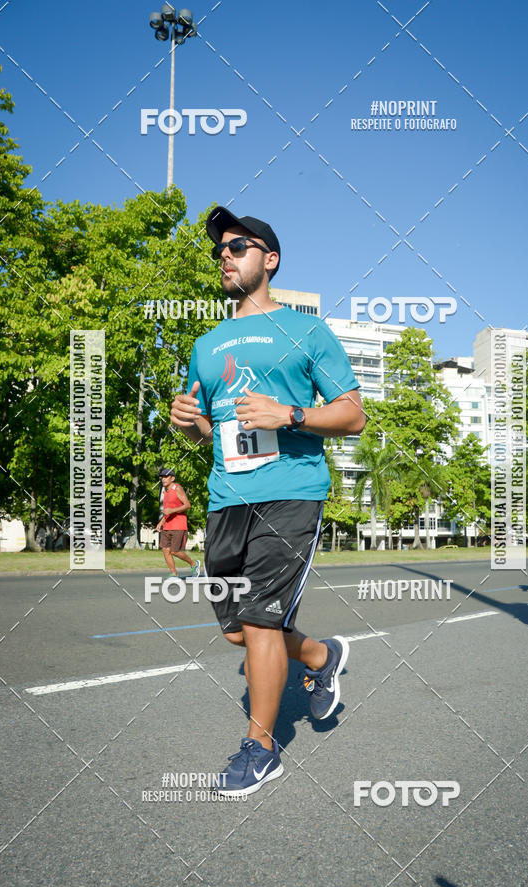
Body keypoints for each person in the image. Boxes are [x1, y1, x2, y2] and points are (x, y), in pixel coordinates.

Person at [170, 206, 365, 797]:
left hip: (291, 492)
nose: (224, 256)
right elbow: (212, 434)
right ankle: (320, 656)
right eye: (220, 250)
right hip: (226, 498)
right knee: (238, 632)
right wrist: (189, 424)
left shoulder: (307, 332)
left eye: (237, 246)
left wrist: (291, 414)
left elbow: (353, 415)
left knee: (259, 621)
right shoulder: (206, 344)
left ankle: (261, 750)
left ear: (269, 259)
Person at [156, 467, 201, 578]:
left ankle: (194, 564)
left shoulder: (177, 488)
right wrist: (161, 522)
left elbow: (187, 505)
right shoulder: (165, 491)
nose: (163, 479)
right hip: (167, 525)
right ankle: (173, 574)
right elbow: (167, 511)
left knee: (175, 551)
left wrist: (171, 511)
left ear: (172, 478)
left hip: (178, 525)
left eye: (166, 477)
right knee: (165, 550)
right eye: (162, 477)